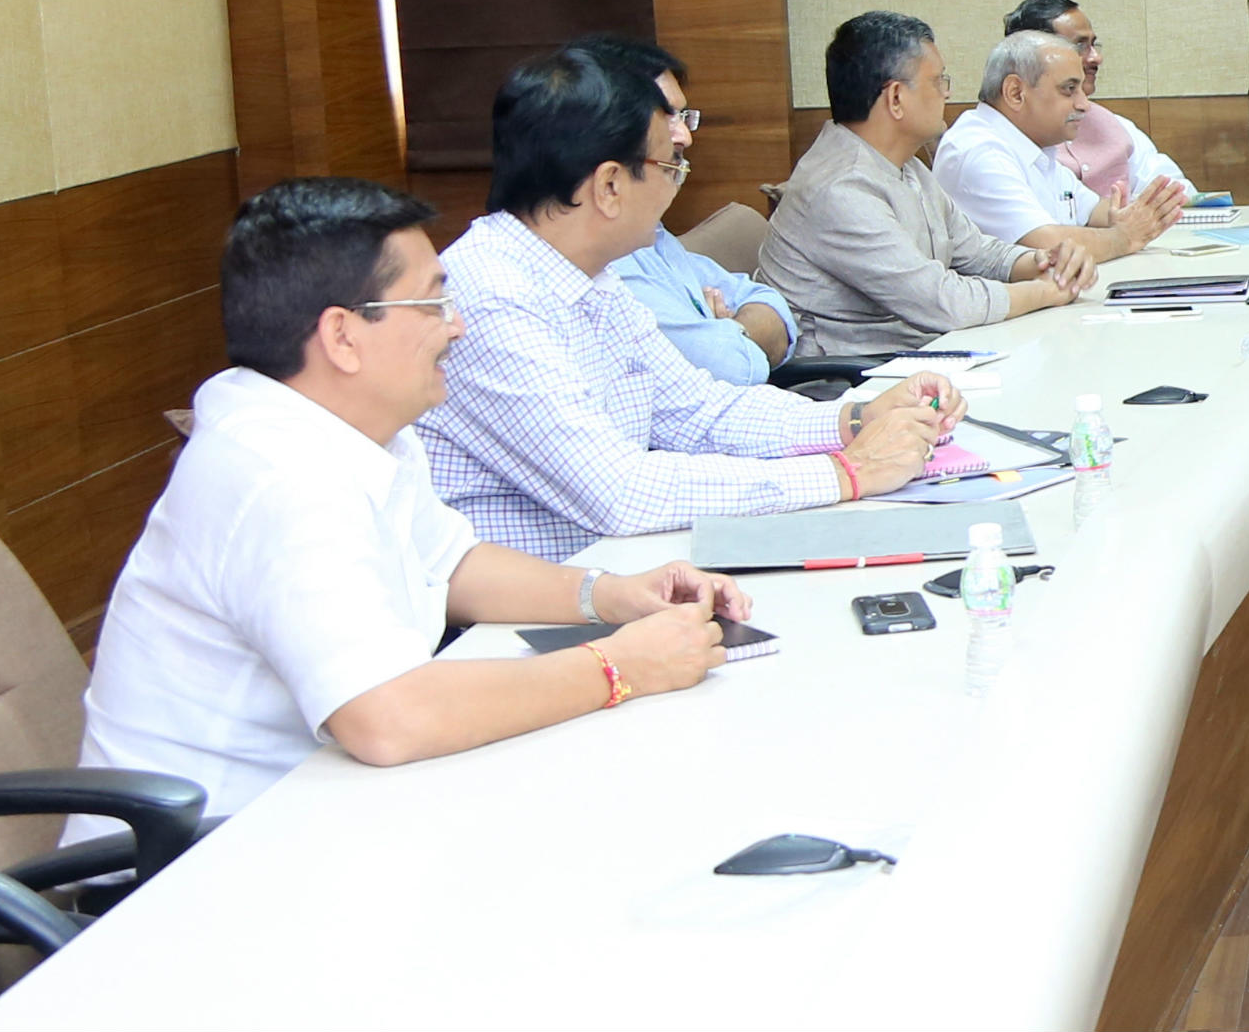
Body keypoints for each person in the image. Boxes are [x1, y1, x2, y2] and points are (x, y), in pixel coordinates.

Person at [71, 178, 756, 823]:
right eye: (432, 304)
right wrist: (619, 668)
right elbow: (388, 719)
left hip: (326, 805)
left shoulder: (360, 430)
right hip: (200, 863)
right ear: (342, 335)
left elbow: (451, 565)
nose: (457, 327)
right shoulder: (277, 475)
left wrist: (614, 596)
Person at [419, 47, 962, 560]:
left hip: (625, 565)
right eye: (668, 166)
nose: (677, 178)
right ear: (609, 186)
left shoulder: (591, 277)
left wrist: (859, 418)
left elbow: (698, 412)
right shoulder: (491, 299)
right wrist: (848, 472)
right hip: (529, 615)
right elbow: (620, 491)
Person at [759, 11, 1097, 357]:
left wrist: (1044, 262)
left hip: (916, 355)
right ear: (895, 98)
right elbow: (942, 302)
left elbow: (976, 251)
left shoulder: (906, 166)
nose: (947, 95)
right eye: (938, 82)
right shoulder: (839, 189)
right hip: (855, 379)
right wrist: (1047, 291)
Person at [561, 35, 794, 386]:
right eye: (665, 118)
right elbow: (730, 368)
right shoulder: (605, 255)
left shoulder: (652, 235)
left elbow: (776, 311)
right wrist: (720, 337)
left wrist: (727, 329)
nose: (684, 136)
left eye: (683, 116)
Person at [932, 28, 1191, 252]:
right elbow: (1043, 244)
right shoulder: (979, 150)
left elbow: (1094, 212)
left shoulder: (1035, 145)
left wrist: (1139, 214)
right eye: (1069, 89)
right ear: (1015, 93)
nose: (1084, 104)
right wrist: (1124, 237)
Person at [1005, 0, 1189, 199]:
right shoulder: (1005, 142)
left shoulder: (1118, 126)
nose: (1096, 58)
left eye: (1094, 45)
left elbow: (1177, 192)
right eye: (1080, 46)